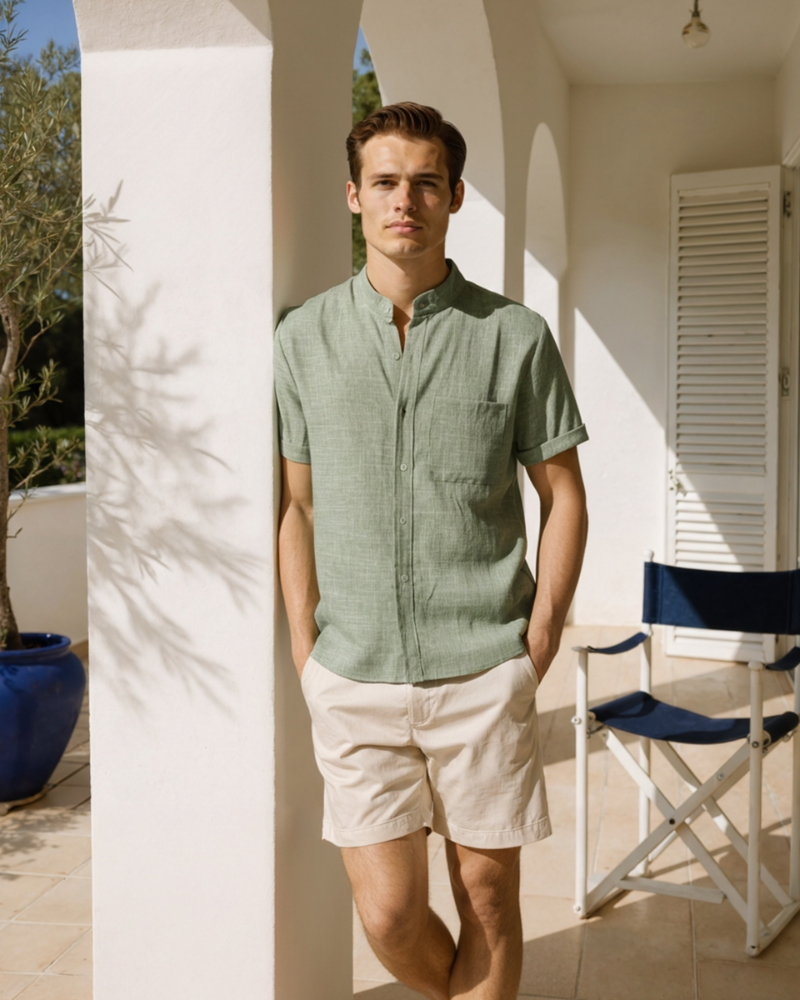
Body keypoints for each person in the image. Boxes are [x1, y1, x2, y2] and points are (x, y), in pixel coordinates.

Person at [275, 102, 588, 1000]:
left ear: (453, 197)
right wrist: (308, 654)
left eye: (423, 183)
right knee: (390, 918)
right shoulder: (302, 340)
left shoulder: (514, 336)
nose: (402, 200)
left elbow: (563, 497)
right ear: (353, 196)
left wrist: (536, 645)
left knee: (487, 894)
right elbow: (296, 506)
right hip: (353, 673)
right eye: (383, 182)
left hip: (484, 667)